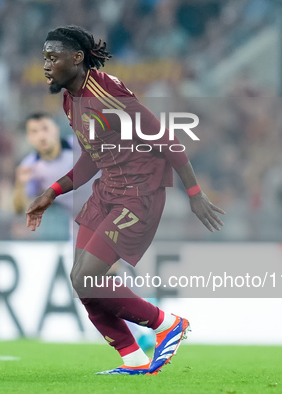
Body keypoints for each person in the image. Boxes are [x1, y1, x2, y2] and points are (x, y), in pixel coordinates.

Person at [26, 26, 225, 375]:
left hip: (139, 193)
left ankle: (167, 324)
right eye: (44, 57)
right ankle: (133, 358)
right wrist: (52, 192)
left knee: (88, 277)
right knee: (80, 280)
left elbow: (165, 138)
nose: (46, 65)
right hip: (109, 189)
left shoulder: (106, 91)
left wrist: (195, 193)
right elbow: (92, 157)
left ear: (76, 58)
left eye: (52, 57)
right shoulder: (70, 99)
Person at [13, 112, 75, 217]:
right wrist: (20, 184)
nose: (41, 136)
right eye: (34, 131)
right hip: (59, 219)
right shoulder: (29, 165)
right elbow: (19, 209)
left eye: (45, 129)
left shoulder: (79, 145)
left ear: (56, 130)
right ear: (29, 137)